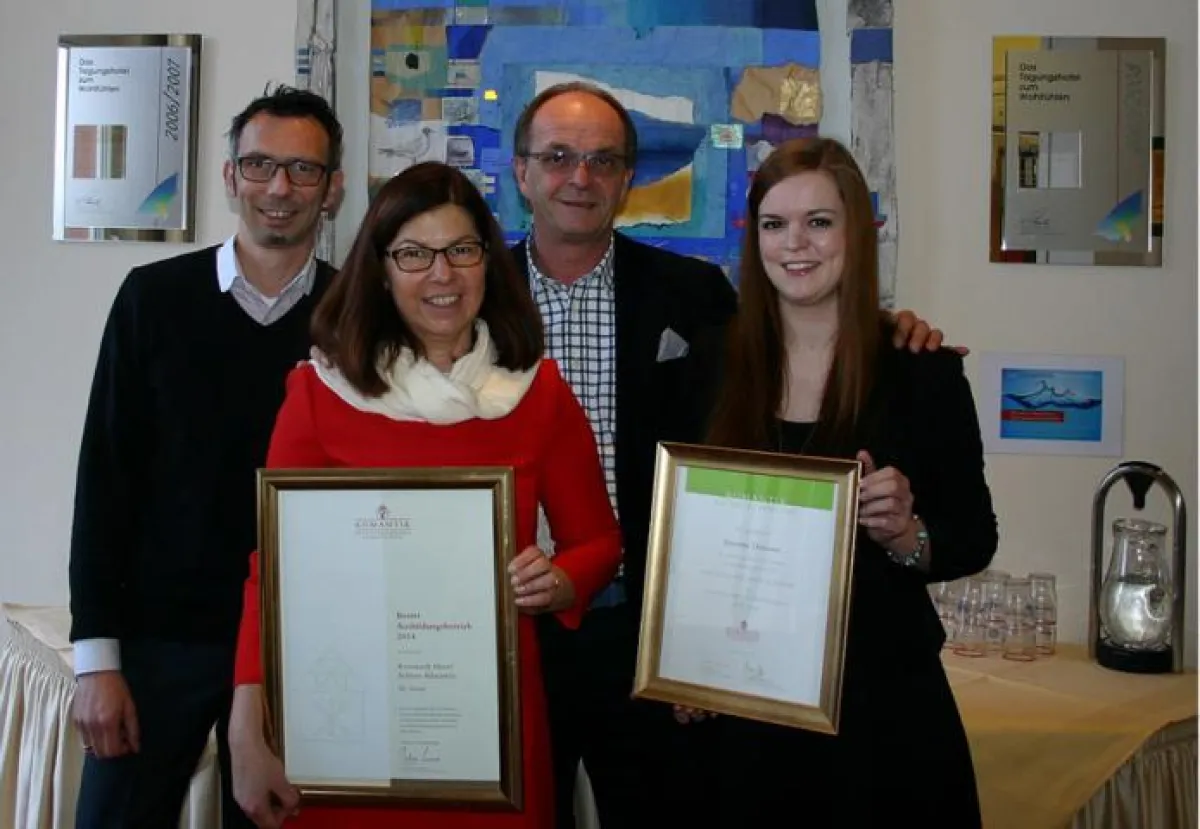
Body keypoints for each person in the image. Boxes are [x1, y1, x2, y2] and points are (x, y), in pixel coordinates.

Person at [507, 81, 949, 828]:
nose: (580, 177)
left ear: (628, 177)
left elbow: (793, 332)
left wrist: (888, 327)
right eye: (556, 157)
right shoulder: (467, 294)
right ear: (522, 172)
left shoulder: (689, 291)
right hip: (516, 627)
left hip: (656, 630)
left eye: (603, 159)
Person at [225, 161, 622, 829]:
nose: (443, 274)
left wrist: (559, 581)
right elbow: (273, 574)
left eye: (461, 250)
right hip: (345, 719)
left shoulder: (537, 392)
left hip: (488, 727)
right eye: (414, 253)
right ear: (381, 270)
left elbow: (599, 542)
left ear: (488, 262)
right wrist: (246, 722)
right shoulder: (321, 394)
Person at [686, 137, 998, 826]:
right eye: (775, 224)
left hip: (885, 724)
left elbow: (974, 538)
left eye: (819, 222)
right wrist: (681, 659)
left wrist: (906, 533)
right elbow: (676, 537)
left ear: (858, 232)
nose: (795, 243)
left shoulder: (922, 371)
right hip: (745, 719)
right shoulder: (706, 367)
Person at [67, 85, 345, 828]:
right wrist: (97, 659)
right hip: (157, 643)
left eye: (303, 169)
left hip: (296, 649)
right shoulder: (152, 298)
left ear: (333, 189)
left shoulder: (355, 315)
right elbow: (104, 480)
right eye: (259, 165)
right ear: (230, 177)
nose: (278, 188)